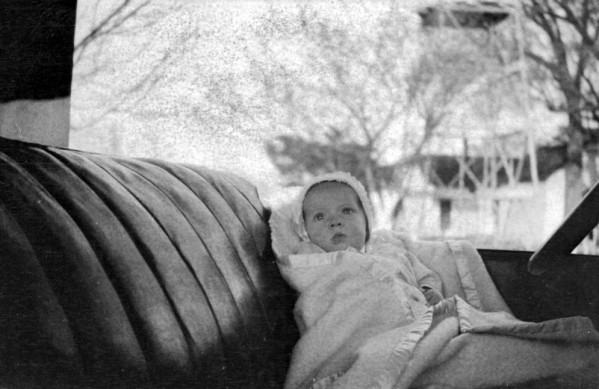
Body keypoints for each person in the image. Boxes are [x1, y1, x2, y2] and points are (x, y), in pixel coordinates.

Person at [270, 171, 599, 389]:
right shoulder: (316, 265)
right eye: (319, 217)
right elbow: (328, 313)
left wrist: (428, 290)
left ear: (366, 219)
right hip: (373, 344)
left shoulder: (388, 249)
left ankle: (573, 359)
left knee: (484, 343)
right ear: (306, 232)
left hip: (428, 329)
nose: (334, 223)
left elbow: (422, 273)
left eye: (346, 212)